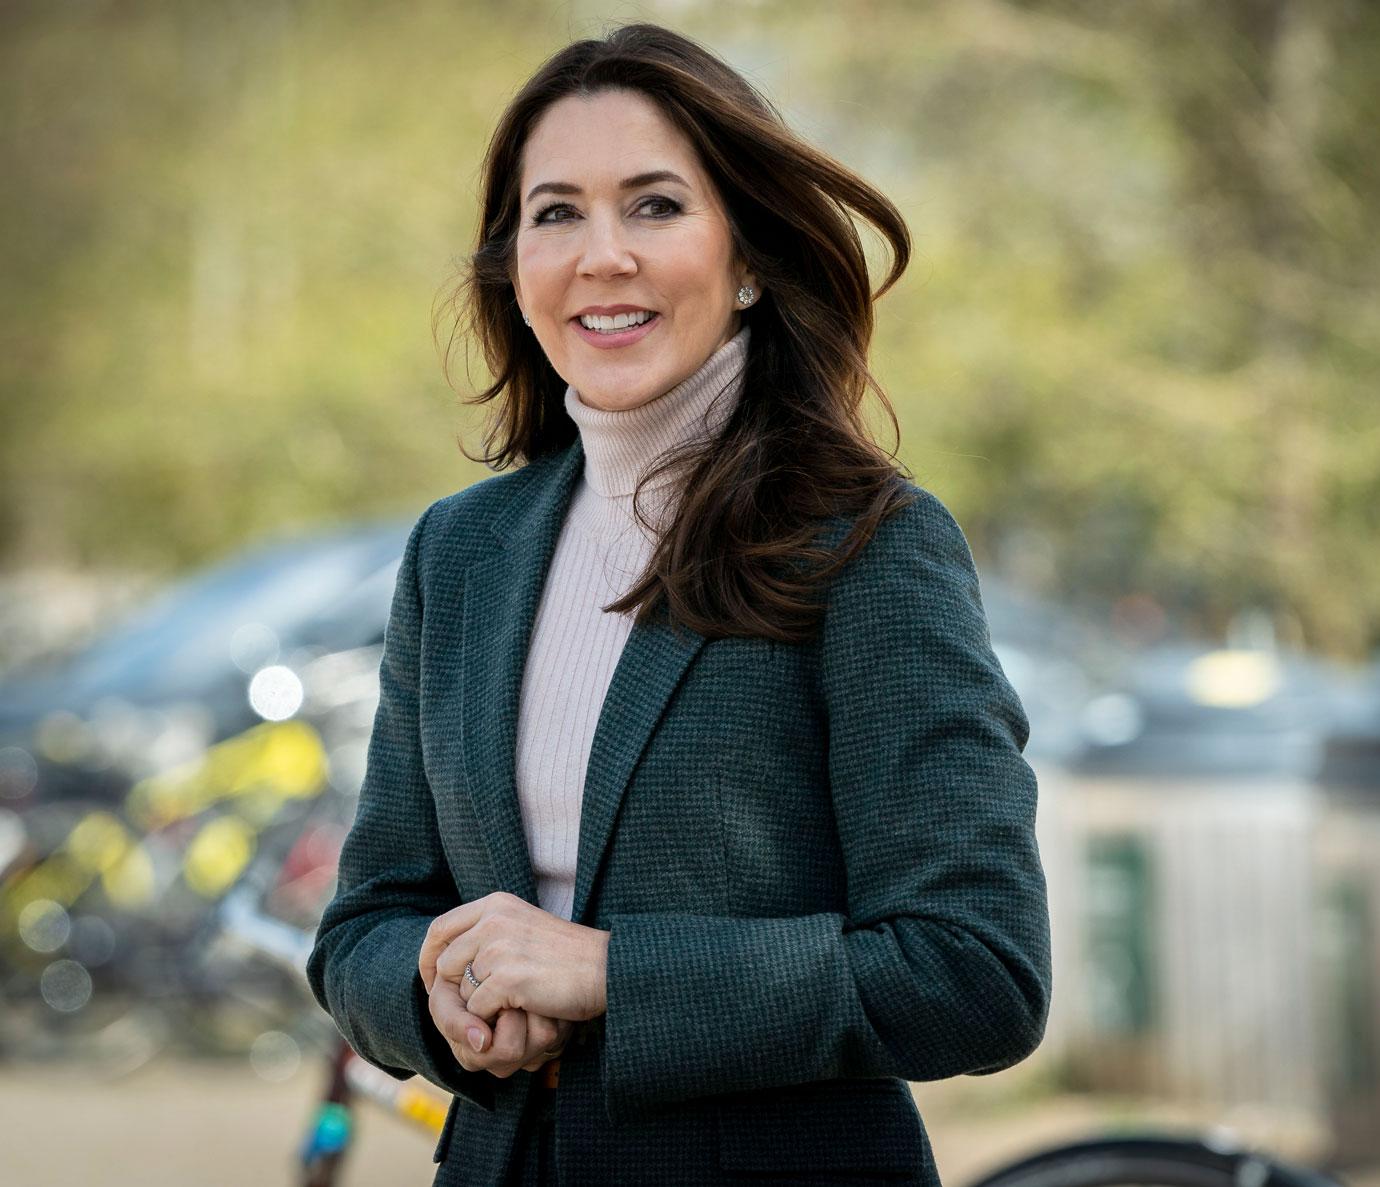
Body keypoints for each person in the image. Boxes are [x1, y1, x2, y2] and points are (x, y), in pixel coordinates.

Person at [307, 21, 1051, 1187]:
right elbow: (365, 924)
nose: (602, 255)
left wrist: (606, 972)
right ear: (514, 264)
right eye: (556, 212)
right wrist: (439, 990)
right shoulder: (459, 553)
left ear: (748, 254)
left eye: (655, 205)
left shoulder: (870, 543)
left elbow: (976, 970)